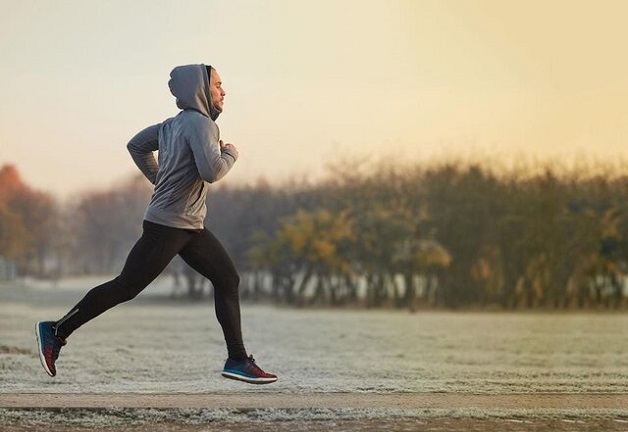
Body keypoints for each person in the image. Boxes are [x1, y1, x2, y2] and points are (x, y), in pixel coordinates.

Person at [35, 63, 277, 385]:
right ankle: (55, 331)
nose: (223, 91)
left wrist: (159, 179)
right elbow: (212, 171)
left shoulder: (172, 125)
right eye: (218, 84)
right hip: (168, 226)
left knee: (227, 279)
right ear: (201, 89)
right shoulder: (203, 126)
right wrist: (230, 153)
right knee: (126, 286)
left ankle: (237, 359)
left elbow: (136, 145)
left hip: (189, 226)